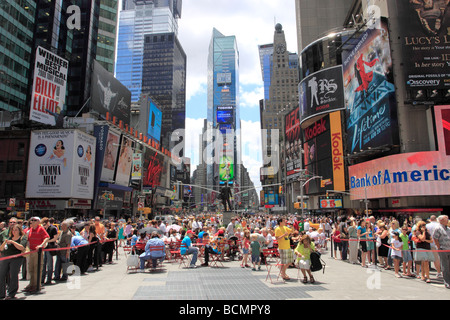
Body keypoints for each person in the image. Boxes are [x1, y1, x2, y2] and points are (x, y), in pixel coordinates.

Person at [0, 224, 27, 299]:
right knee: (1, 275)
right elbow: (1, 249)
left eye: (16, 230)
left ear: (19, 230)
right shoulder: (9, 237)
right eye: (13, 230)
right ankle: (1, 293)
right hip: (5, 257)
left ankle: (11, 293)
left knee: (13, 275)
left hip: (16, 258)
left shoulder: (22, 238)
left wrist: (13, 242)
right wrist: (5, 242)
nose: (14, 232)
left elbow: (21, 247)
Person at [23, 217, 49, 293]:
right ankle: (31, 284)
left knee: (37, 269)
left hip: (38, 252)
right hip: (31, 251)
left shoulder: (40, 229)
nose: (32, 222)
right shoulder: (30, 230)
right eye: (32, 220)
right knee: (31, 268)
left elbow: (47, 237)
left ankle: (37, 285)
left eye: (35, 220)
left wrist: (41, 245)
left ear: (38, 222)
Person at [433, 215, 450, 289]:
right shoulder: (438, 228)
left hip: (449, 248)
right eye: (446, 219)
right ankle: (447, 282)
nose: (448, 221)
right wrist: (439, 247)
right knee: (445, 265)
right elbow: (435, 238)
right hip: (443, 249)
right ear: (441, 220)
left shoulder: (448, 228)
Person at [41, 217, 58, 285]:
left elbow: (55, 238)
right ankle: (42, 279)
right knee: (43, 264)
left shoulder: (53, 228)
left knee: (50, 264)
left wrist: (48, 241)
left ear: (48, 222)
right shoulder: (43, 229)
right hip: (44, 248)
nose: (44, 226)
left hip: (50, 247)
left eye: (45, 224)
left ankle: (49, 279)